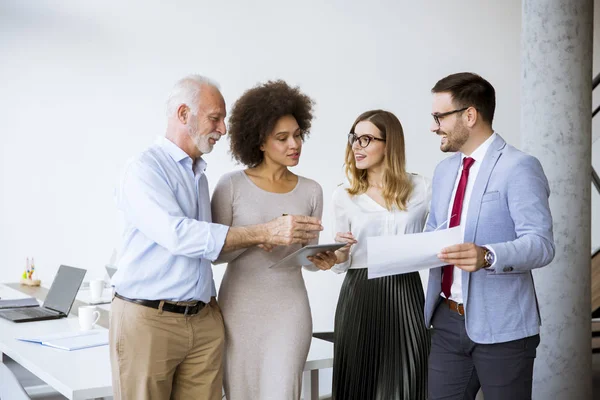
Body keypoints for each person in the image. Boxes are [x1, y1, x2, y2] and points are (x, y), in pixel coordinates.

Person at [109, 75, 323, 400]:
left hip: (205, 319)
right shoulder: (144, 169)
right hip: (152, 318)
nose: (223, 128)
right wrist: (262, 232)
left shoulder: (198, 175)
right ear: (184, 114)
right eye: (215, 118)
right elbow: (179, 235)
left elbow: (211, 249)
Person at [425, 72, 555, 400]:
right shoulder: (443, 171)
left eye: (439, 117)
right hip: (446, 322)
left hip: (504, 328)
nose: (433, 126)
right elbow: (433, 234)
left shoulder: (520, 167)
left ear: (470, 115)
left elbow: (541, 244)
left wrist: (488, 255)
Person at [211, 80, 337, 400]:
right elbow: (214, 254)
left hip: (289, 310)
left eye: (297, 135)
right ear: (260, 142)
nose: (294, 143)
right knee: (241, 393)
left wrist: (321, 260)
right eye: (282, 138)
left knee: (282, 392)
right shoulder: (231, 186)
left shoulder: (312, 190)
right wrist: (258, 236)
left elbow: (305, 259)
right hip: (239, 308)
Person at [331, 110, 431, 400]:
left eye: (366, 139)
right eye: (354, 139)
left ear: (390, 144)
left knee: (408, 383)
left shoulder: (423, 188)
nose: (356, 147)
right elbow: (341, 263)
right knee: (358, 384)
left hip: (406, 294)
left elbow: (443, 236)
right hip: (359, 293)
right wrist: (340, 252)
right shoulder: (344, 195)